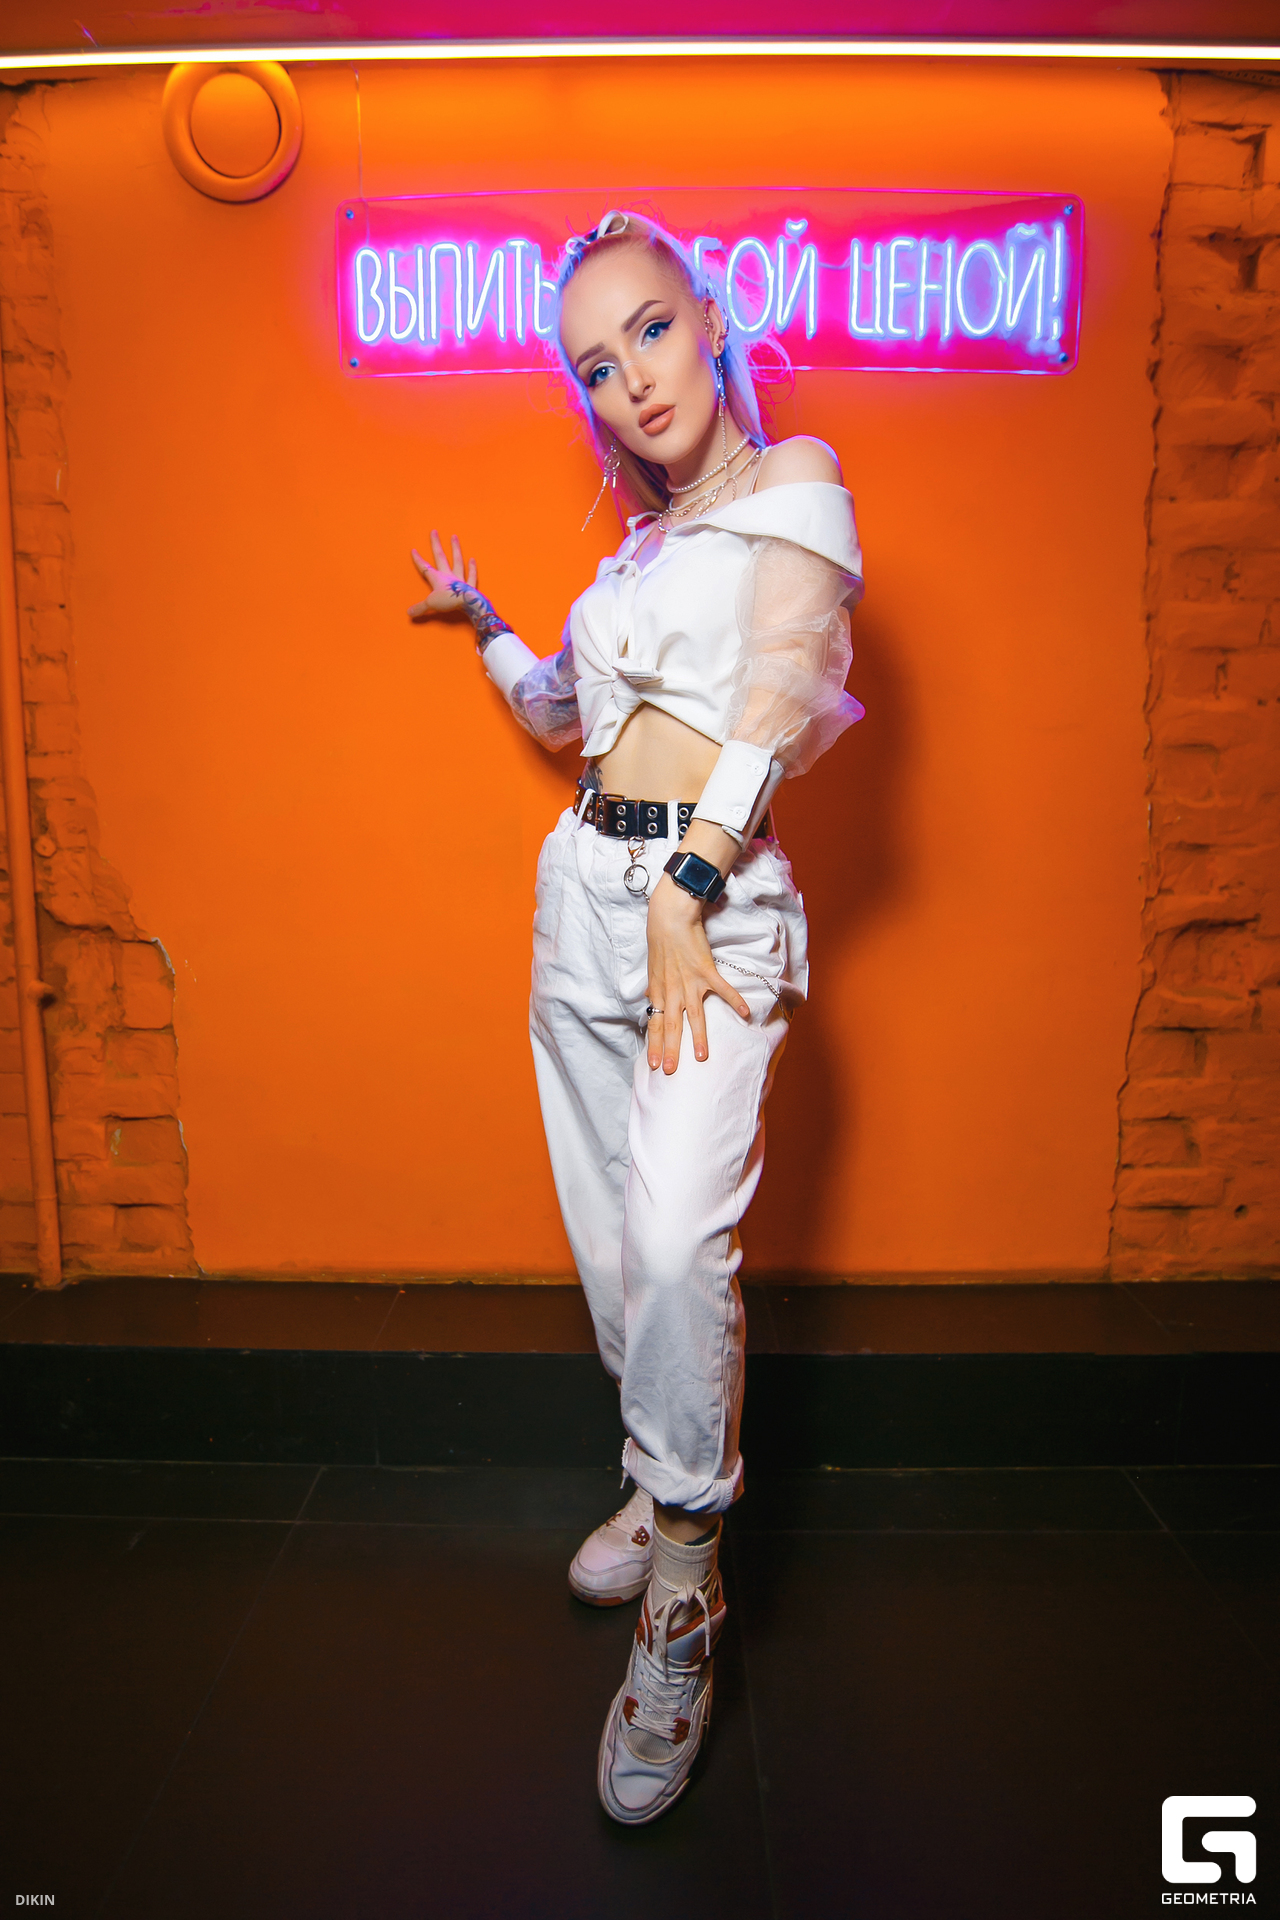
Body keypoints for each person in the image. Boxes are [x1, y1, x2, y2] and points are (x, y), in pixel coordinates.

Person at [409, 211, 864, 1825]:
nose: (632, 381)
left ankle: (683, 1586)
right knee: (615, 1243)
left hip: (707, 912)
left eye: (652, 331)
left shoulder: (798, 484)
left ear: (713, 318)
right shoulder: (634, 559)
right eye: (595, 367)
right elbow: (566, 715)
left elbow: (780, 691)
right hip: (581, 900)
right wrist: (491, 631)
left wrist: (688, 881)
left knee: (677, 1240)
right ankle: (655, 1480)